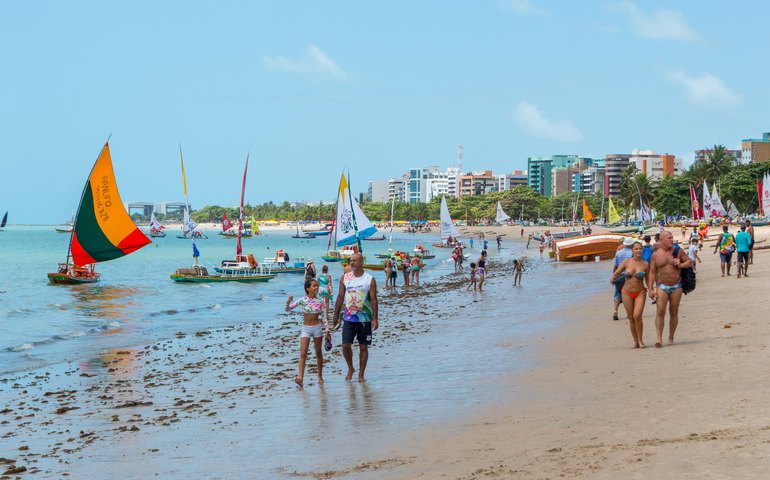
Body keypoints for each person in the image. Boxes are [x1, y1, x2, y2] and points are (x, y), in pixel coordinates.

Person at [332, 253, 379, 382]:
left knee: (363, 347)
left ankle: (361, 374)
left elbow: (374, 299)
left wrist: (375, 318)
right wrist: (335, 314)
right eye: (350, 261)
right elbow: (340, 297)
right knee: (346, 346)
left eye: (354, 261)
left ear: (361, 262)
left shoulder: (369, 279)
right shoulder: (345, 278)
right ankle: (351, 368)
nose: (352, 263)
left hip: (365, 319)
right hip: (348, 318)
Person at [648, 231, 693, 347]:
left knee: (674, 312)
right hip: (662, 286)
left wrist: (680, 264)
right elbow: (652, 273)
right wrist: (650, 289)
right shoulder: (656, 255)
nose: (671, 240)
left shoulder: (678, 251)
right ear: (661, 240)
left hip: (676, 285)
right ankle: (659, 338)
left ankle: (671, 337)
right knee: (660, 311)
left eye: (672, 238)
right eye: (669, 238)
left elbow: (689, 261)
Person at [285, 279, 330, 388]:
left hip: (317, 328)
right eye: (314, 286)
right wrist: (288, 301)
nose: (316, 288)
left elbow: (324, 317)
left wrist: (328, 330)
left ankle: (319, 376)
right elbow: (287, 309)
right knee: (303, 353)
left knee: (318, 353)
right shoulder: (302, 300)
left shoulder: (321, 301)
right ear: (307, 288)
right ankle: (300, 378)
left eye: (317, 286)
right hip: (306, 329)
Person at [611, 241, 650, 348]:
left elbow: (648, 279)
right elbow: (617, 272)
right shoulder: (626, 262)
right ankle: (636, 341)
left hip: (640, 292)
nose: (638, 251)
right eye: (636, 249)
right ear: (632, 250)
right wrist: (613, 277)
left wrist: (651, 289)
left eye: (640, 248)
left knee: (637, 315)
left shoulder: (645, 264)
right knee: (631, 318)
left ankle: (641, 340)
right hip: (626, 292)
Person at [612, 237, 635, 321]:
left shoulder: (618, 252)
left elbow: (615, 265)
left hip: (619, 275)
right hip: (629, 276)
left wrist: (614, 275)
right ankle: (629, 312)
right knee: (628, 294)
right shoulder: (632, 253)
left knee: (617, 293)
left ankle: (615, 310)